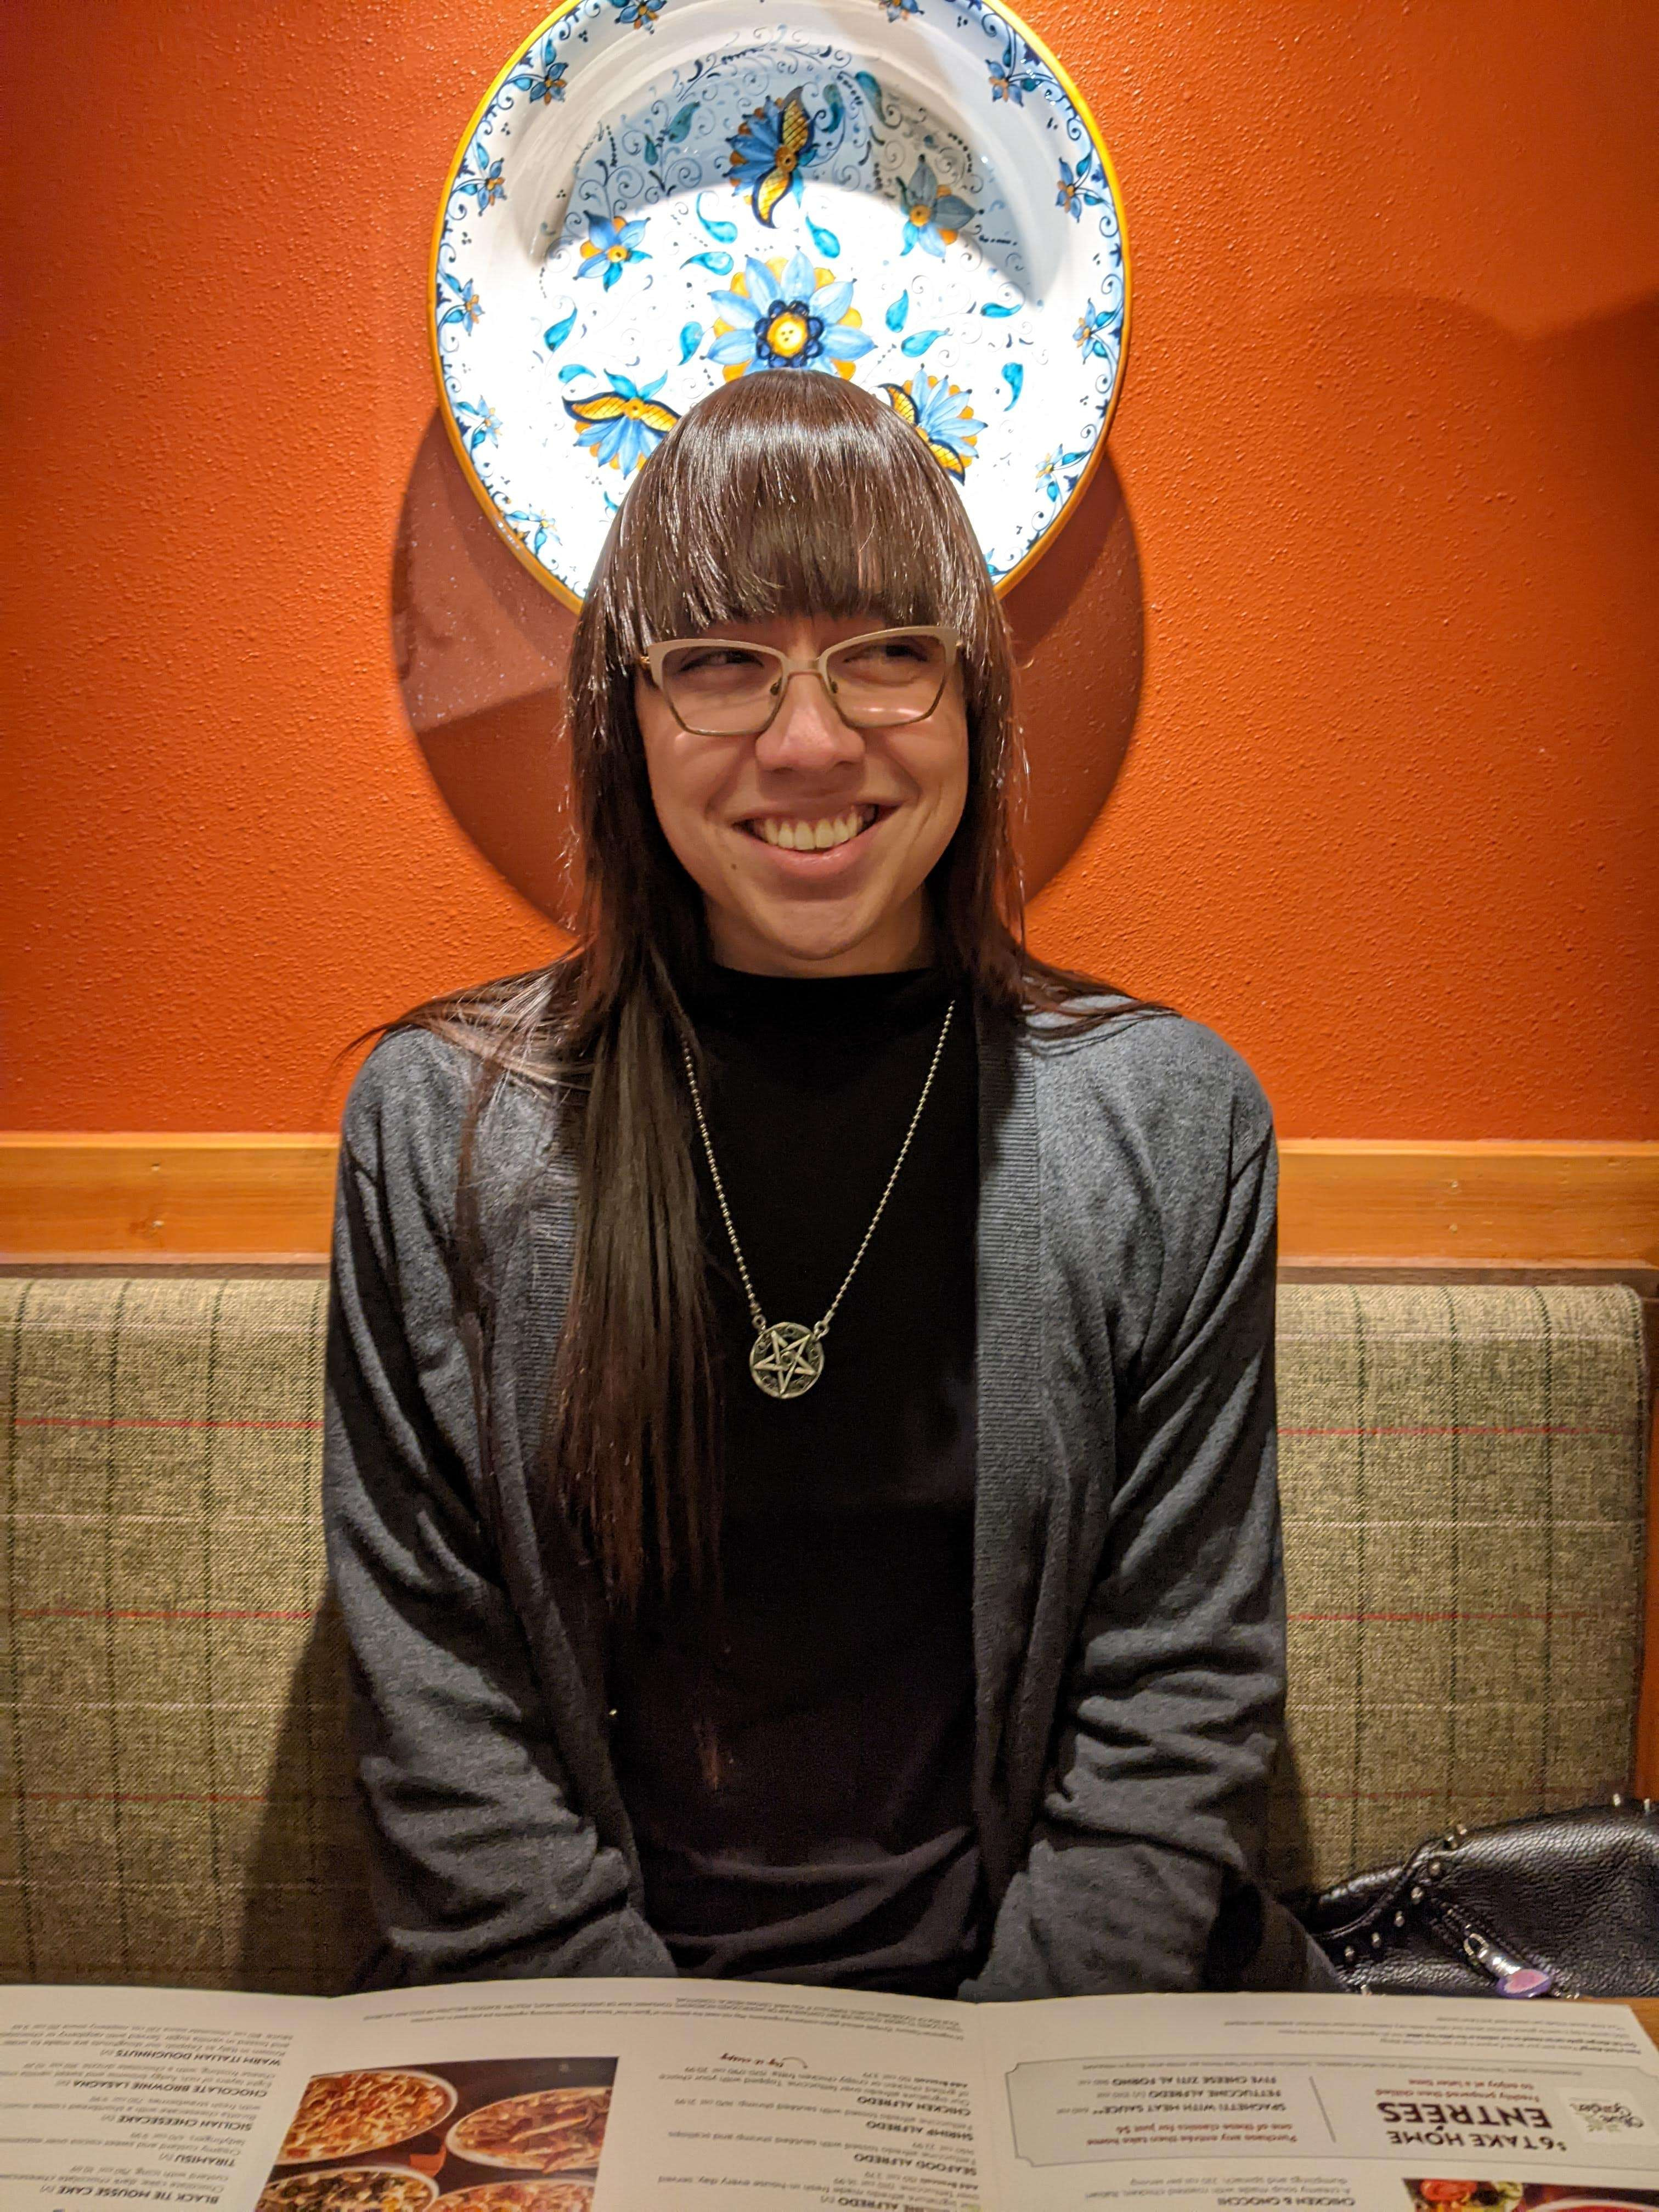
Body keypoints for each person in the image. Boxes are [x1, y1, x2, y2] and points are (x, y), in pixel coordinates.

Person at [323, 369, 1336, 1999]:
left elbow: (1179, 1698)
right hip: (589, 2042)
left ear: (971, 695)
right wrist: (654, 2085)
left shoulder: (1170, 1126)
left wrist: (1002, 2078)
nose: (808, 741)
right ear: (628, 714)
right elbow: (441, 1711)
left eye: (885, 653)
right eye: (720, 663)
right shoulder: (443, 1127)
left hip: (1046, 2040)